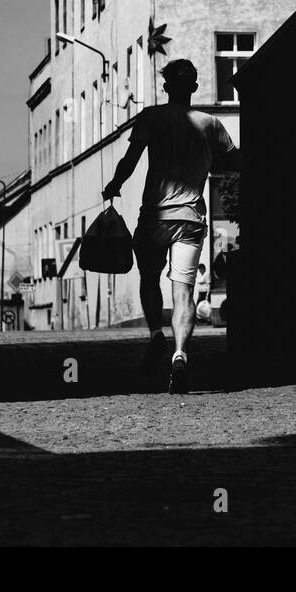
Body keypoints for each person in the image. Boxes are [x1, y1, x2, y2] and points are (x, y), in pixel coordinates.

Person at [102, 59, 239, 393]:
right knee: (184, 291)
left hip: (154, 218)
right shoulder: (211, 124)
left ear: (166, 88)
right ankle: (180, 354)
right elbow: (237, 161)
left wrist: (114, 184)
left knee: (149, 278)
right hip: (190, 219)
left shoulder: (151, 117)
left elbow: (130, 160)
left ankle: (155, 334)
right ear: (193, 87)